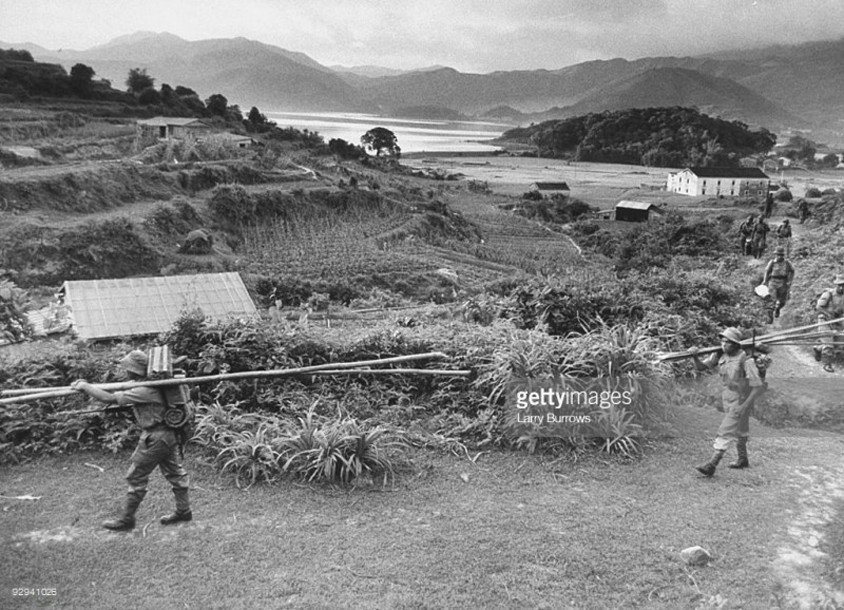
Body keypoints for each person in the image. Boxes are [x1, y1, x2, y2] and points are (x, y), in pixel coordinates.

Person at [72, 350, 192, 531]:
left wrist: (85, 386)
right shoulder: (150, 385)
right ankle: (184, 511)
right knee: (175, 473)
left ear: (135, 370)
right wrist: (91, 385)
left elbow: (109, 398)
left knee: (136, 475)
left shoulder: (145, 390)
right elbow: (120, 387)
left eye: (127, 368)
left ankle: (126, 520)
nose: (125, 371)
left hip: (157, 438)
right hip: (169, 435)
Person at [690, 327, 766, 476]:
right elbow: (701, 368)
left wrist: (744, 406)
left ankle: (712, 464)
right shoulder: (720, 355)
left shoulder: (746, 359)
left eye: (728, 342)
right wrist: (694, 357)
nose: (724, 344)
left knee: (725, 430)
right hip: (727, 397)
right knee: (740, 430)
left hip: (742, 399)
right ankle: (743, 459)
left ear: (736, 344)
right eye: (722, 341)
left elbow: (757, 387)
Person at [814, 275, 844, 373]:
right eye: (840, 285)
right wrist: (828, 315)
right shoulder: (828, 294)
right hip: (825, 321)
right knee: (829, 343)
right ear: (836, 284)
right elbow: (819, 307)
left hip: (837, 321)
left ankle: (818, 348)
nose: (842, 287)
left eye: (843, 285)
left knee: (839, 343)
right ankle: (827, 364)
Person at [762, 246, 795, 323]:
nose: (779, 256)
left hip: (783, 282)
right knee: (771, 300)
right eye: (778, 255)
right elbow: (767, 271)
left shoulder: (787, 263)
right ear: (775, 255)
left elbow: (792, 271)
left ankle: (778, 309)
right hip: (773, 282)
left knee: (783, 301)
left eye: (781, 255)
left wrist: (790, 281)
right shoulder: (772, 262)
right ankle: (769, 318)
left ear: (783, 255)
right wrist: (765, 280)